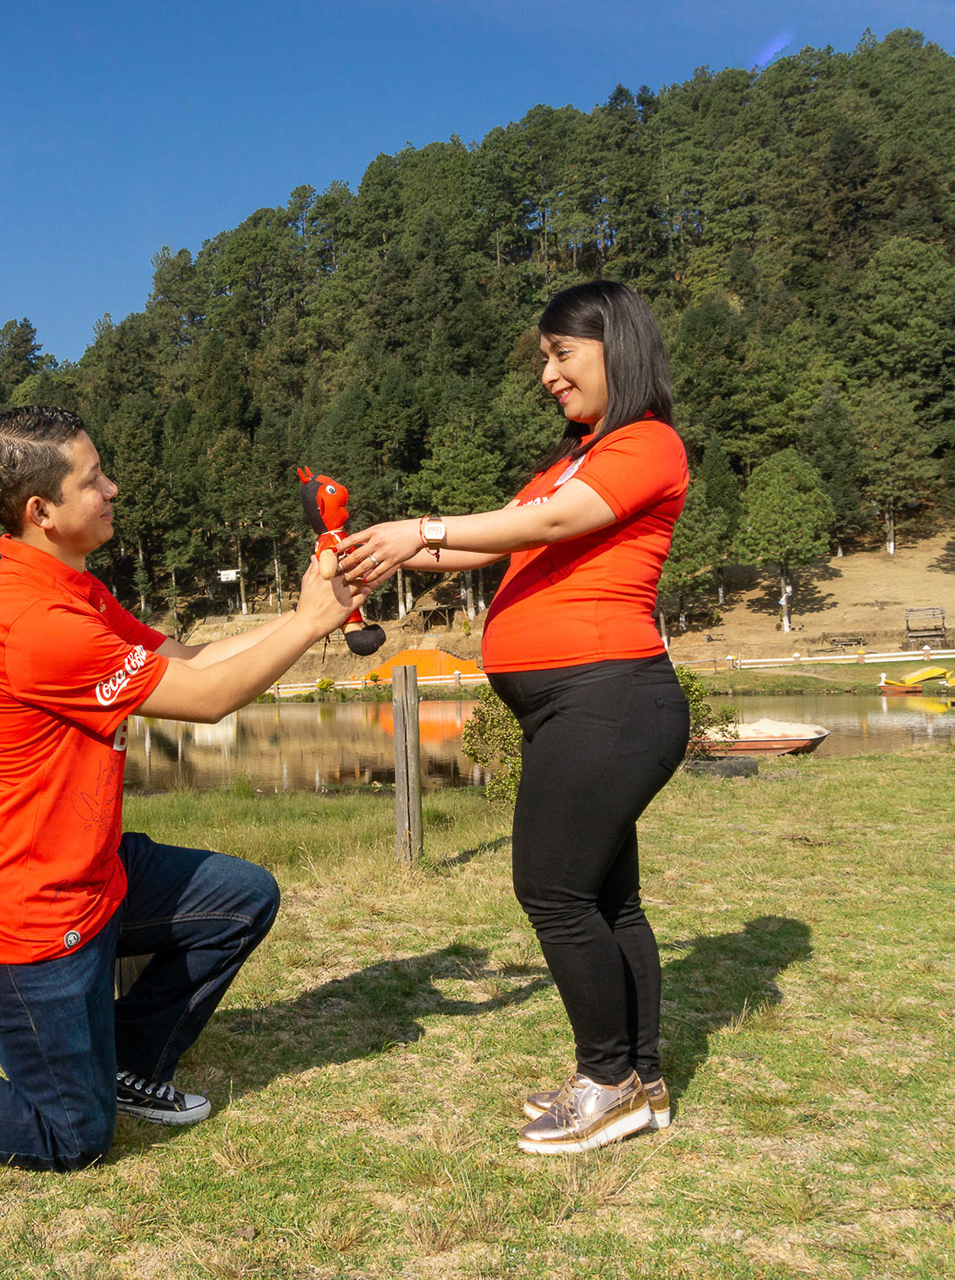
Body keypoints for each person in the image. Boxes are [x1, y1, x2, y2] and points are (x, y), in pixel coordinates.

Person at [0, 405, 369, 1180]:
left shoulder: (63, 585)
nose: (113, 487)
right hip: (25, 924)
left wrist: (303, 617)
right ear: (41, 511)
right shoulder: (41, 621)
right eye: (94, 480)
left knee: (240, 898)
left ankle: (124, 1064)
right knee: (71, 1135)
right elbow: (211, 696)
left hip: (90, 877)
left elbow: (188, 656)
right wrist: (313, 620)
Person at [336, 281, 689, 1156]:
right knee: (608, 900)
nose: (548, 374)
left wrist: (420, 525)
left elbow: (557, 520)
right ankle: (638, 1081)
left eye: (562, 354)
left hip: (608, 696)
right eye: (544, 357)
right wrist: (387, 549)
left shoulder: (649, 445)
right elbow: (497, 536)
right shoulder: (567, 461)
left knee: (552, 889)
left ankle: (605, 1084)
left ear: (618, 348)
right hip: (575, 706)